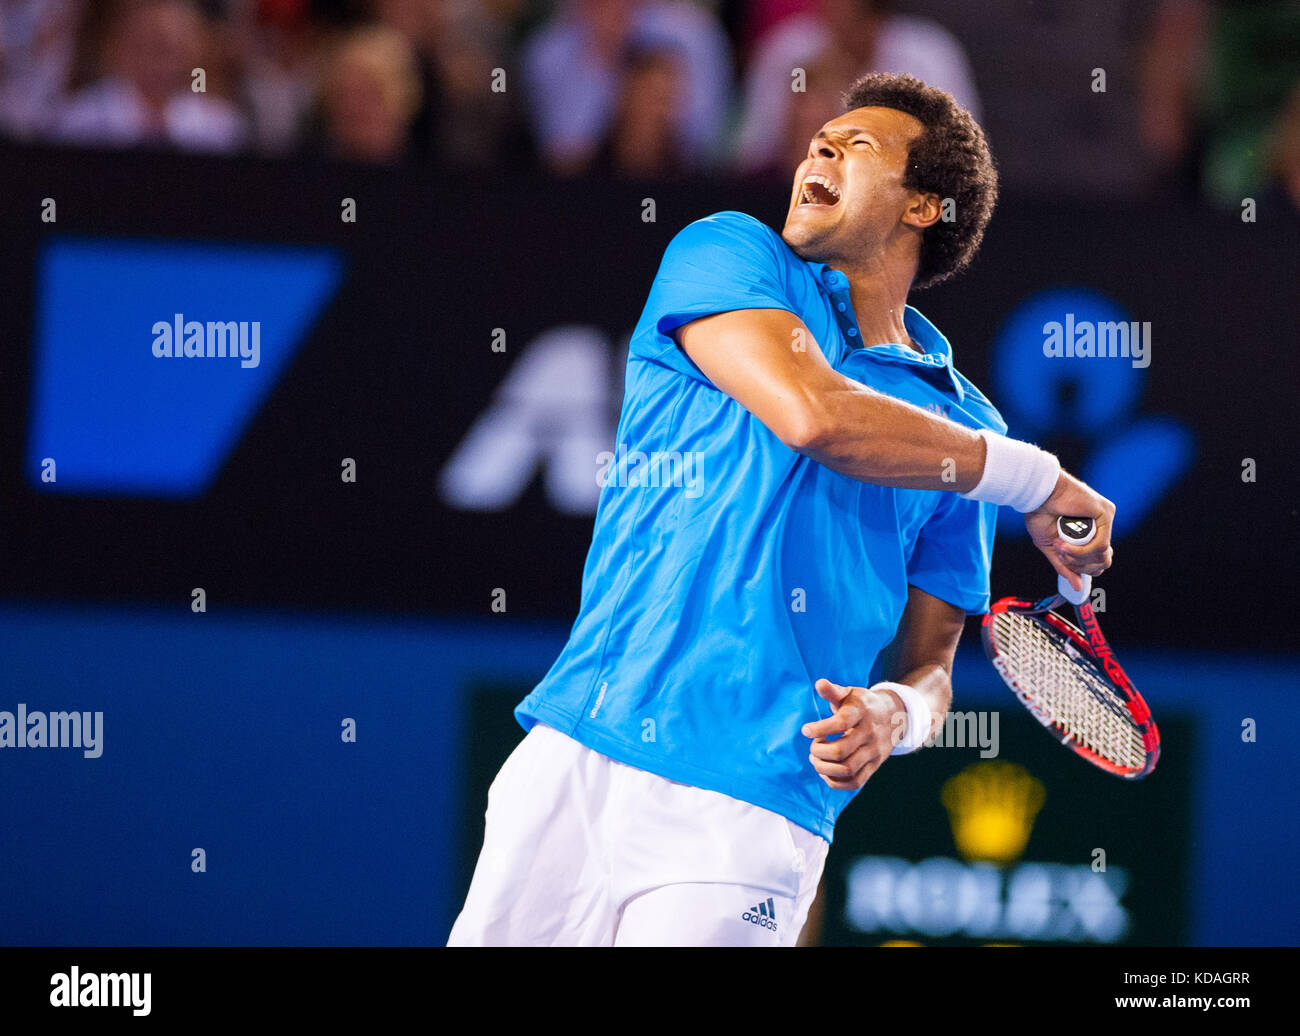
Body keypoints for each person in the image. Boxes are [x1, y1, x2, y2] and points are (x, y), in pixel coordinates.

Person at [448, 72, 1115, 947]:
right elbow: (814, 414)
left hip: (749, 808)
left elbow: (932, 664)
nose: (820, 150)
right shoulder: (726, 253)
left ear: (923, 206)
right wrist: (1034, 480)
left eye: (858, 146)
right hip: (573, 753)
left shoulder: (969, 431)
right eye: (818, 142)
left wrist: (897, 717)